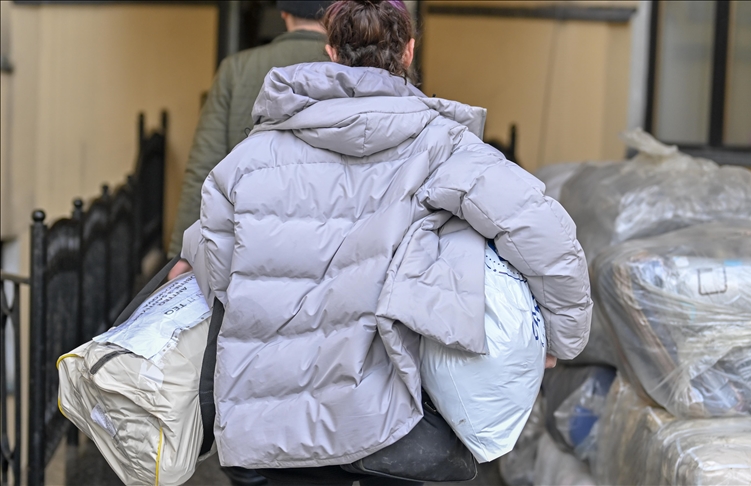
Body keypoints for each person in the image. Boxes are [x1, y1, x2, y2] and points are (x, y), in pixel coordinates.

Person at [180, 1, 593, 485]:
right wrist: (561, 338)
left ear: (331, 50)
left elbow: (216, 270)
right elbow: (542, 231)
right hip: (385, 423)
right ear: (409, 51)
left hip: (267, 427)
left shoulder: (250, 158)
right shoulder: (443, 146)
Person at [167, 0, 333, 268]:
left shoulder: (236, 69)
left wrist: (181, 254)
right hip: (326, 248)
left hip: (244, 247)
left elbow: (204, 166)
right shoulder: (349, 70)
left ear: (283, 12)